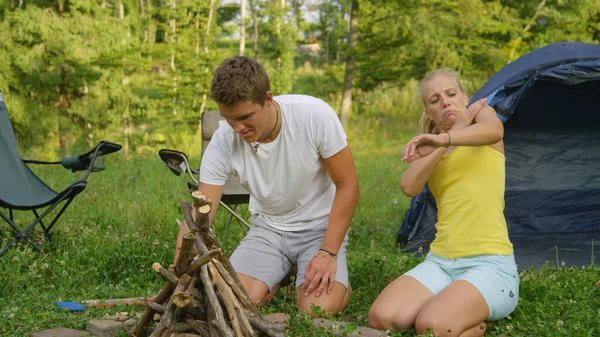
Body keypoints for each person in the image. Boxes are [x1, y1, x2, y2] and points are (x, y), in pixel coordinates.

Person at [194, 56, 359, 314]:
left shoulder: (314, 115)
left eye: (246, 117)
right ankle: (280, 275)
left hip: (319, 229)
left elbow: (348, 185)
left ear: (268, 99)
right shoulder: (224, 139)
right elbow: (201, 212)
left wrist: (328, 252)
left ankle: (338, 284)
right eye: (229, 118)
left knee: (316, 310)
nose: (238, 127)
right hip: (268, 230)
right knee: (230, 303)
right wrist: (180, 268)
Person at [368, 68, 519, 337]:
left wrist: (448, 136)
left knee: (431, 325)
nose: (445, 101)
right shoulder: (431, 147)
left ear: (464, 98)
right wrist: (442, 143)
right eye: (434, 100)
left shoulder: (483, 117)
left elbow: (495, 131)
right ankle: (459, 312)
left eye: (450, 94)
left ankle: (474, 323)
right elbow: (408, 186)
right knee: (382, 317)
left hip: (490, 265)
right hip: (441, 263)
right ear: (429, 112)